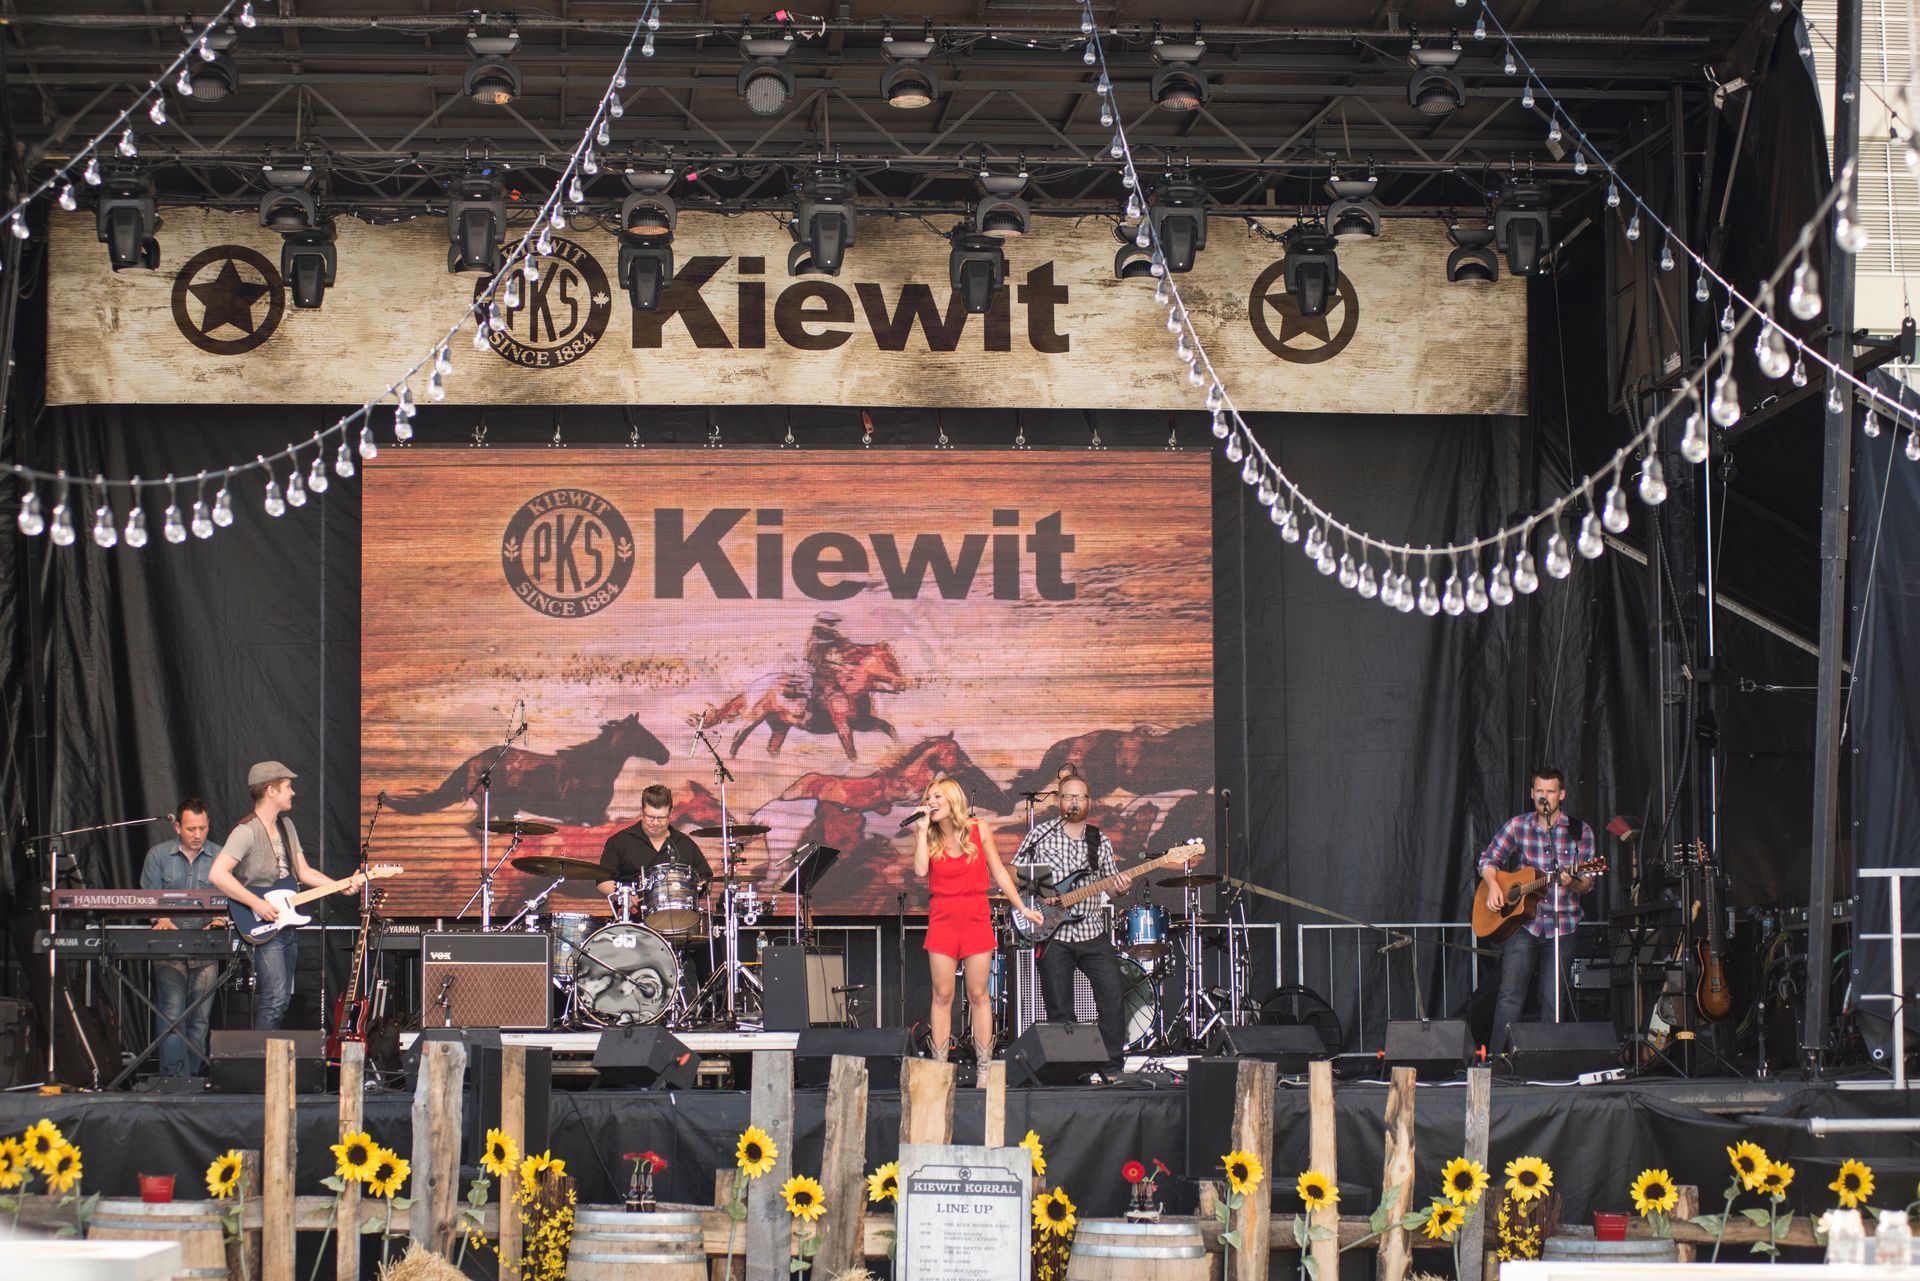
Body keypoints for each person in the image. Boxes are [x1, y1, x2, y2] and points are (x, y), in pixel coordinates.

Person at [908, 776, 1042, 1064]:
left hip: (975, 915)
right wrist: (920, 831)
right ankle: (940, 1068)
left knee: (979, 993)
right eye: (928, 798)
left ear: (953, 801)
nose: (930, 803)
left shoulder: (979, 830)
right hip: (943, 918)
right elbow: (920, 871)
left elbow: (1000, 872)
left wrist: (1022, 907)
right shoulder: (928, 835)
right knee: (942, 995)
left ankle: (984, 1069)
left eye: (937, 797)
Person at [1477, 767, 1597, 1054]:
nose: (1545, 797)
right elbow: (1488, 859)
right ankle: (1497, 1061)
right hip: (1523, 926)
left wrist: (1574, 881)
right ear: (1532, 794)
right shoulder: (1518, 826)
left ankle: (1548, 1061)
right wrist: (1494, 886)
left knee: (1553, 999)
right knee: (1510, 996)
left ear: (1562, 794)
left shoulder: (1579, 832)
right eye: (1539, 791)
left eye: (1551, 791)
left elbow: (1588, 884)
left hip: (1562, 926)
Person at [207, 762, 332, 1030]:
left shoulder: (287, 827)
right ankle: (262, 1066)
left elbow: (303, 872)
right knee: (274, 999)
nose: (293, 792)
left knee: (282, 999)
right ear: (270, 790)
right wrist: (256, 904)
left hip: (285, 924)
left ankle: (266, 1062)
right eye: (287, 786)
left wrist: (342, 884)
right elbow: (218, 874)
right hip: (263, 921)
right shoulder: (246, 830)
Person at [138, 798, 225, 1076]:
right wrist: (161, 919)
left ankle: (192, 1082)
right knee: (172, 1015)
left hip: (206, 950)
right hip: (168, 950)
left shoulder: (221, 857)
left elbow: (232, 898)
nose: (197, 835)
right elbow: (147, 898)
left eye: (202, 828)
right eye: (190, 829)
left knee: (199, 1020)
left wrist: (221, 920)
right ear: (177, 827)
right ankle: (174, 1081)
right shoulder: (158, 855)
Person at [595, 784, 714, 898]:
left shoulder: (685, 844)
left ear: (671, 814)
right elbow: (603, 882)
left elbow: (704, 879)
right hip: (632, 916)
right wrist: (624, 897)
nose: (656, 823)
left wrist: (694, 890)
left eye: (661, 818)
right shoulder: (619, 842)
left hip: (679, 916)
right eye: (650, 817)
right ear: (642, 812)